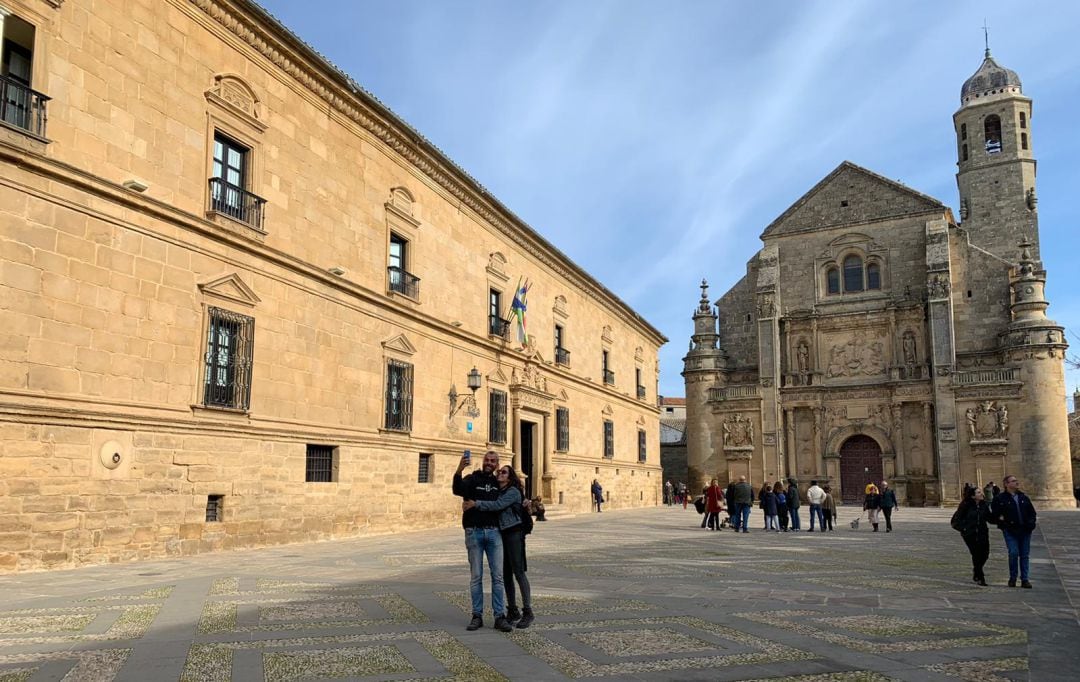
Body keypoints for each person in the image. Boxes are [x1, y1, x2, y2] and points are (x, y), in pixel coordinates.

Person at [464, 465, 534, 628]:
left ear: (510, 477)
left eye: (503, 472)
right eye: (498, 472)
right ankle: (512, 610)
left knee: (518, 572)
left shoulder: (513, 492)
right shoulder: (497, 490)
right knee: (505, 574)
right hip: (501, 534)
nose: (499, 474)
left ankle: (528, 611)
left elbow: (497, 505)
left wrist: (476, 504)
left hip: (514, 533)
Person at [453, 450, 511, 632]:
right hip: (474, 532)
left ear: (497, 464)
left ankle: (499, 616)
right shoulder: (473, 479)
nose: (489, 463)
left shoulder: (499, 483)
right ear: (483, 461)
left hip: (494, 533)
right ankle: (476, 615)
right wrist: (459, 469)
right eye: (487, 460)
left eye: (493, 461)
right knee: (476, 577)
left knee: (498, 577)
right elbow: (457, 489)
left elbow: (508, 499)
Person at [990, 474, 1038, 588]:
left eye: (1016, 480)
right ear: (1006, 484)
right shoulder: (1000, 499)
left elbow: (1032, 512)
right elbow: (995, 514)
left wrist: (1031, 524)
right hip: (1010, 530)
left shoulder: (1023, 497)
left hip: (1025, 530)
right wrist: (1002, 524)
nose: (1016, 482)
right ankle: (1013, 577)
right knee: (1013, 552)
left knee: (1024, 555)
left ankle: (1025, 579)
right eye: (1013, 481)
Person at [952, 485, 991, 586]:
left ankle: (976, 571)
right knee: (976, 554)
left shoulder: (984, 505)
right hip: (970, 534)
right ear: (973, 496)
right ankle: (980, 576)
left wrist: (1001, 519)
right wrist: (964, 529)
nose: (982, 494)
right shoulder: (965, 505)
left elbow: (989, 518)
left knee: (985, 554)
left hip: (982, 533)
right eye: (978, 492)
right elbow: (955, 521)